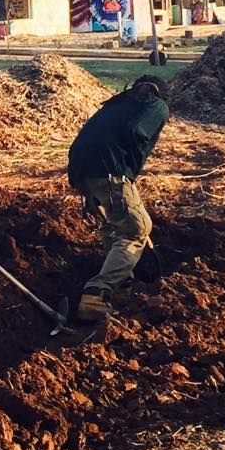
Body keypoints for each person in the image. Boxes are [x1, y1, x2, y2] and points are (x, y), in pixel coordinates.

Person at [67, 76, 170, 321]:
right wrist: (128, 172)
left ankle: (122, 287)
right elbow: (137, 131)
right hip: (108, 168)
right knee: (136, 229)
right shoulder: (157, 105)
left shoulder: (117, 104)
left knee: (113, 227)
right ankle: (97, 293)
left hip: (80, 170)